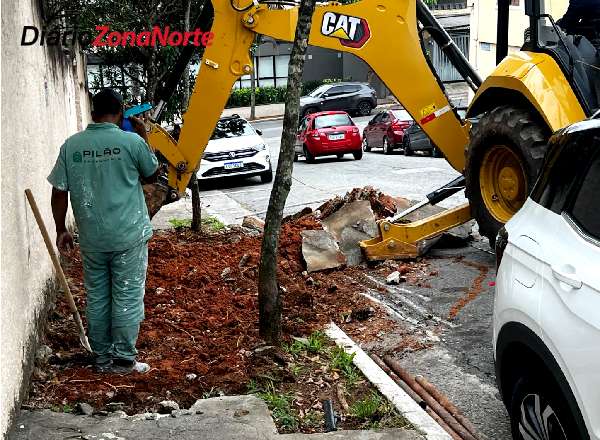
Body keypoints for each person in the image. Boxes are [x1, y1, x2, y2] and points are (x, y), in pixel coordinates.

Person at [48, 88, 159, 374]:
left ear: (92, 112)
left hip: (92, 238)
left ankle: (101, 359)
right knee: (127, 294)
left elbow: (59, 191)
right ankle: (123, 359)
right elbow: (151, 174)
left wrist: (61, 229)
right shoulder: (131, 142)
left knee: (97, 296)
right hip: (129, 236)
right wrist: (143, 135)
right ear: (121, 112)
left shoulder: (72, 146)